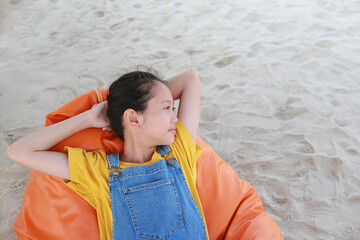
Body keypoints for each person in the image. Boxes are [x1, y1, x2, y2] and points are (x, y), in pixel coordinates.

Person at [7, 67, 209, 239]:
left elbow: (190, 78)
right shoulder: (98, 171)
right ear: (133, 118)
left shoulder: (179, 151)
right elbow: (19, 151)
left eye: (173, 108)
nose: (175, 118)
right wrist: (88, 118)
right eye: (167, 108)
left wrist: (129, 102)